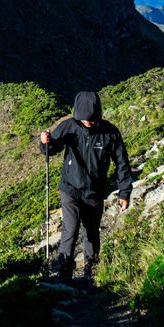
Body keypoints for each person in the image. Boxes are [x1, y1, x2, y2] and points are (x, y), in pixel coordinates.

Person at [40, 91, 132, 282]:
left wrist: (125, 192)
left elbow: (122, 162)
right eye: (84, 119)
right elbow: (52, 148)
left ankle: (91, 271)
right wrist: (45, 142)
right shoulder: (69, 126)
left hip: (95, 192)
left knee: (91, 232)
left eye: (92, 119)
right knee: (70, 230)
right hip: (70, 189)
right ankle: (64, 272)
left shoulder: (110, 132)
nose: (88, 122)